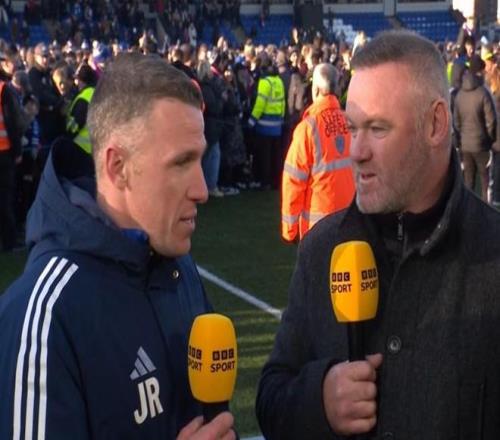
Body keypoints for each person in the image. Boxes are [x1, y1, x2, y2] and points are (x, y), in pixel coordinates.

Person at [256, 30, 500, 439]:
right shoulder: (321, 249)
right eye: (352, 128)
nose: (356, 150)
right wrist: (320, 399)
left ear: (436, 124)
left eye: (378, 128)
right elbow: (271, 398)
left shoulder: (492, 253)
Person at [0, 52, 235, 439]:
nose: (202, 189)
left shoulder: (178, 269)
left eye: (200, 160)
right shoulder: (46, 315)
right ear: (118, 167)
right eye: (181, 163)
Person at [281, 63, 355, 242]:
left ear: (315, 90)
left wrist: (289, 230)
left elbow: (293, 181)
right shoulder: (351, 123)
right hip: (350, 220)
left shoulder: (308, 128)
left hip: (317, 226)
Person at [453, 54, 496, 201]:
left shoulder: (460, 95)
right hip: (482, 145)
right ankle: (487, 212)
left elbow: (456, 122)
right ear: (480, 71)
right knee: (485, 183)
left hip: (465, 146)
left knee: (468, 183)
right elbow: (491, 120)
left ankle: (467, 213)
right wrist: (490, 140)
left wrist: (459, 142)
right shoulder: (483, 93)